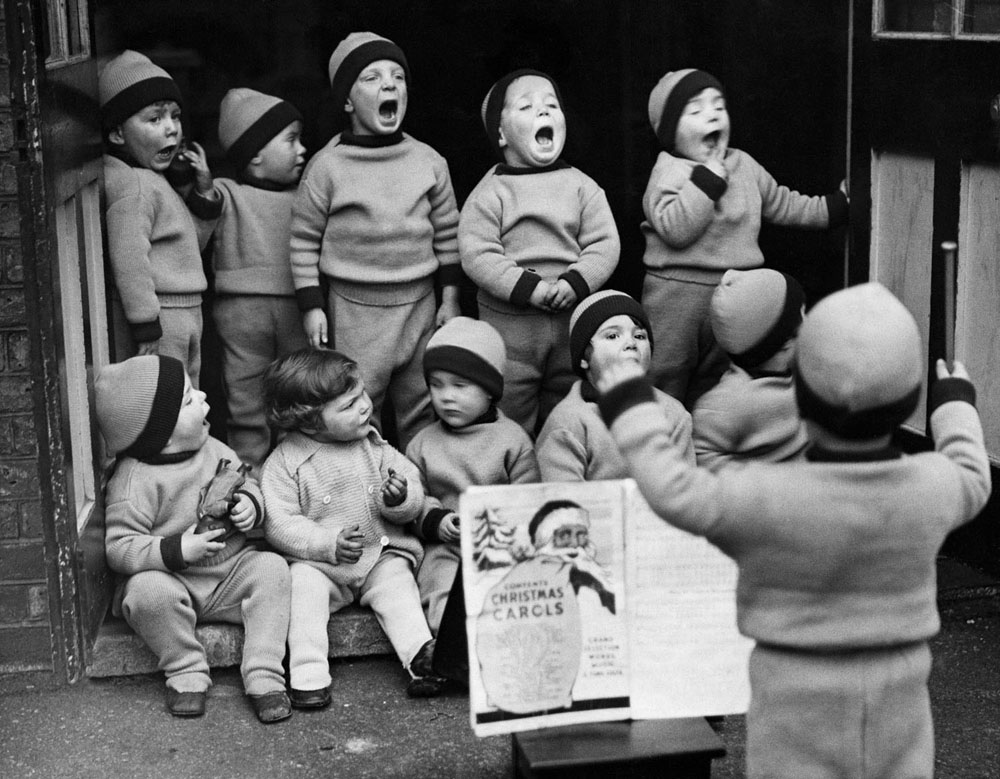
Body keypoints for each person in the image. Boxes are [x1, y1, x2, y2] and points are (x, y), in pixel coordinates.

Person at [592, 282, 992, 778]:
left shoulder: (765, 496)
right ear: (909, 401)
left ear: (797, 396)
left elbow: (675, 490)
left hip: (793, 705)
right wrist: (954, 406)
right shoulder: (931, 487)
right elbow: (973, 474)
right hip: (898, 700)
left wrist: (630, 405)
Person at [95, 355, 292, 723]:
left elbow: (244, 479)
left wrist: (250, 504)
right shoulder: (134, 481)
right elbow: (119, 548)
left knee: (273, 568)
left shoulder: (213, 448)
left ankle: (264, 674)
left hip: (229, 573)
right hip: (173, 581)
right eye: (189, 399)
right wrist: (175, 549)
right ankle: (185, 669)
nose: (203, 397)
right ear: (163, 431)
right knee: (145, 593)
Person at [289, 32, 461, 449]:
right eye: (371, 77)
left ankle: (424, 501)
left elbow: (450, 235)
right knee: (360, 405)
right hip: (355, 311)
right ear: (347, 101)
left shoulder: (429, 162)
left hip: (420, 304)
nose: (389, 84)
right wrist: (312, 307)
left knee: (423, 407)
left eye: (397, 76)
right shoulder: (327, 168)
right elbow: (302, 242)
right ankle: (372, 499)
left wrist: (451, 298)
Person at [640, 68, 848, 408]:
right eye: (695, 110)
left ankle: (710, 441)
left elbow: (782, 202)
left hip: (737, 293)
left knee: (723, 377)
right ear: (670, 133)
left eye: (718, 106)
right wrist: (707, 183)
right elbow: (675, 229)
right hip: (676, 295)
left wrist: (833, 209)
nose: (711, 114)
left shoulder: (743, 165)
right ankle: (660, 441)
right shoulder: (668, 171)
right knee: (666, 375)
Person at [260, 347, 444, 705]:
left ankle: (421, 657)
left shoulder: (371, 445)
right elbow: (279, 522)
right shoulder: (286, 463)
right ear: (309, 421)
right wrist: (324, 543)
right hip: (323, 565)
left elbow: (410, 480)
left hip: (378, 552)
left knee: (398, 584)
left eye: (361, 395)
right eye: (347, 406)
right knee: (302, 591)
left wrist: (399, 498)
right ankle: (308, 672)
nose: (363, 407)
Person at [460, 69, 620, 435]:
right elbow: (476, 253)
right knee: (509, 412)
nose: (543, 112)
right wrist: (526, 287)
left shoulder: (583, 186)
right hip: (510, 328)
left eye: (551, 105)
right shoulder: (491, 192)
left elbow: (605, 243)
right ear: (501, 134)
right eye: (527, 107)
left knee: (568, 408)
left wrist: (577, 281)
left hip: (570, 324)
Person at [406, 316, 540, 638]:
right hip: (447, 545)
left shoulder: (513, 440)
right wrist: (436, 520)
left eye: (459, 385)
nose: (446, 396)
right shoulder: (422, 443)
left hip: (501, 544)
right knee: (437, 582)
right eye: (436, 385)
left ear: (490, 392)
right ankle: (452, 644)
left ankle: (503, 640)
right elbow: (413, 501)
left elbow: (529, 498)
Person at [198, 87, 309, 470]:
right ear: (256, 154)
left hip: (297, 305)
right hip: (240, 312)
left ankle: (300, 470)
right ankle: (248, 472)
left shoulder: (308, 195)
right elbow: (204, 208)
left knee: (300, 390)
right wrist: (199, 183)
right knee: (246, 394)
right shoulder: (227, 193)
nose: (302, 150)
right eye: (291, 140)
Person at [99, 50, 222, 387]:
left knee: (189, 399)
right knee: (171, 403)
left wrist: (202, 192)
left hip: (186, 311)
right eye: (154, 119)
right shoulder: (134, 185)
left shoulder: (157, 181)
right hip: (163, 316)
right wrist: (145, 323)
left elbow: (190, 244)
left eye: (175, 116)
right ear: (117, 135)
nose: (171, 129)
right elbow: (129, 256)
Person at [536, 290, 693, 482]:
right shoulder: (568, 423)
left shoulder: (674, 414)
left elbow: (684, 493)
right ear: (584, 359)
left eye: (640, 336)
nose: (630, 343)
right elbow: (565, 503)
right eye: (612, 336)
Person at [691, 268, 809, 472]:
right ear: (784, 342)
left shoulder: (808, 376)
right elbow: (701, 457)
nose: (810, 322)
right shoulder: (725, 404)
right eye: (803, 315)